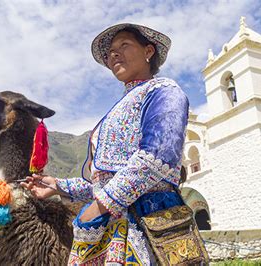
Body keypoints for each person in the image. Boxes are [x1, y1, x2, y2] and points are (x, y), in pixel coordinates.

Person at [22, 23, 189, 265]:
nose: (114, 54)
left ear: (148, 51)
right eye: (111, 51)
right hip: (111, 228)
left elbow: (158, 158)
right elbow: (103, 182)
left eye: (124, 45)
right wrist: (59, 186)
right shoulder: (119, 107)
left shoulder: (163, 92)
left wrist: (100, 206)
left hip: (148, 223)